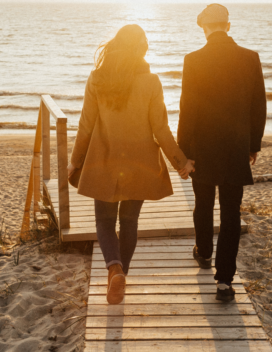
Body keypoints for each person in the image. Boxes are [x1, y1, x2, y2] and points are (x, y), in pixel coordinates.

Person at [68, 24, 195, 305]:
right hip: (140, 163)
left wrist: (74, 161)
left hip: (104, 160)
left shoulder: (97, 79)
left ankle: (114, 269)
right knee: (129, 221)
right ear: (142, 50)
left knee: (103, 220)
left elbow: (86, 126)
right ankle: (121, 273)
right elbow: (161, 130)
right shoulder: (152, 82)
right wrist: (180, 162)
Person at [177, 4, 267, 302]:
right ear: (228, 26)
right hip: (235, 148)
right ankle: (225, 281)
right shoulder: (249, 58)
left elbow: (186, 109)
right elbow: (258, 106)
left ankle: (203, 252)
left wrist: (183, 153)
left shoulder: (193, 60)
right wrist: (253, 145)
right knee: (230, 214)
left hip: (202, 149)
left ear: (204, 28)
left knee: (203, 205)